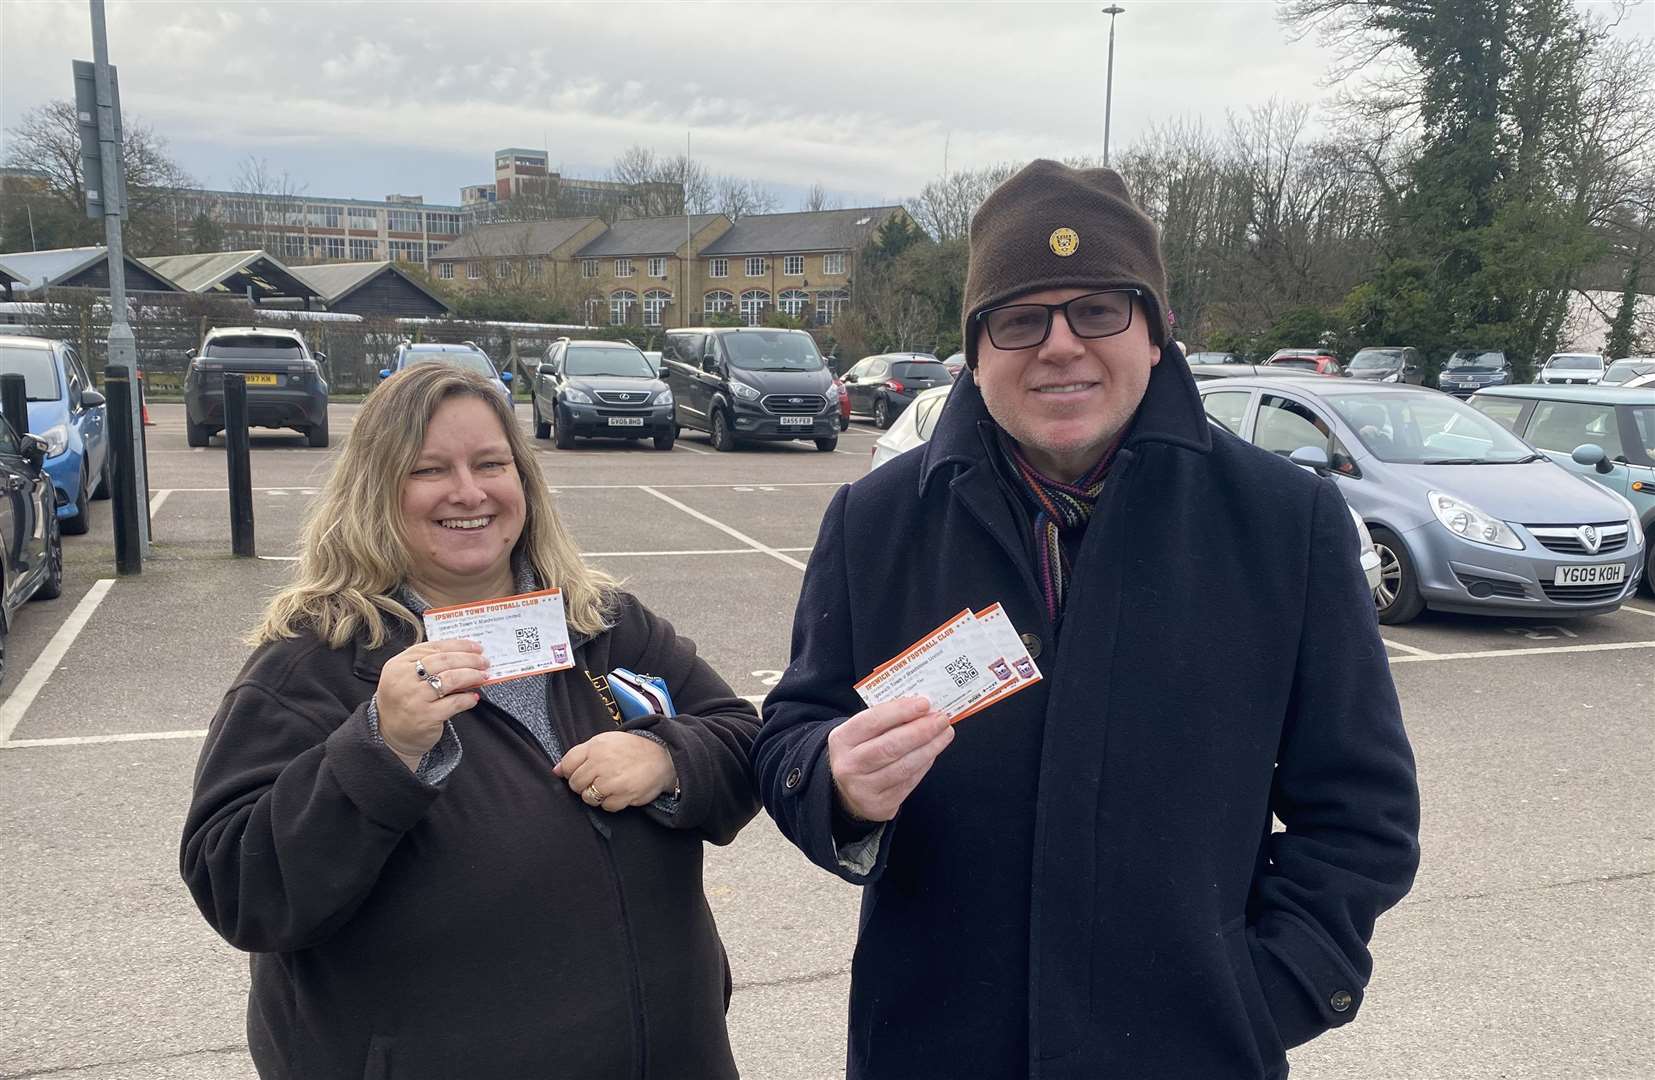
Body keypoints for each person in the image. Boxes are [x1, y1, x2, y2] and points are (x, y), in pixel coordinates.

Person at [754, 160, 1420, 1080]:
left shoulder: (1282, 524)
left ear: (1154, 333)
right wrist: (828, 780)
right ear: (976, 352)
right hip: (933, 1047)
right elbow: (788, 729)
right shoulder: (875, 522)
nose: (1059, 345)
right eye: (1020, 319)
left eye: (1099, 309)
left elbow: (1362, 813)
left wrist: (1276, 989)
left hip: (1191, 1051)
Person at [181, 364, 759, 1080]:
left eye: (491, 464)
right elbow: (239, 890)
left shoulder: (604, 624)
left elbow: (742, 740)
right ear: (375, 491)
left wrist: (670, 758)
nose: (468, 492)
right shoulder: (314, 662)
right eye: (429, 470)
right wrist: (378, 750)